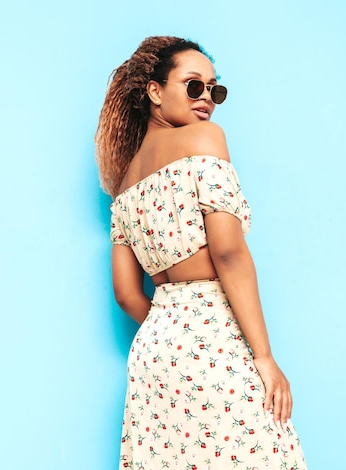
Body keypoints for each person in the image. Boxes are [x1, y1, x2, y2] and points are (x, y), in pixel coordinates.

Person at [95, 36, 307, 469]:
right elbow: (228, 253)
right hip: (214, 335)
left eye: (214, 89)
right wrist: (264, 358)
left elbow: (126, 294)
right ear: (154, 91)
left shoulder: (123, 183)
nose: (207, 99)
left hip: (156, 349)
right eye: (194, 86)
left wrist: (173, 320)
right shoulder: (205, 139)